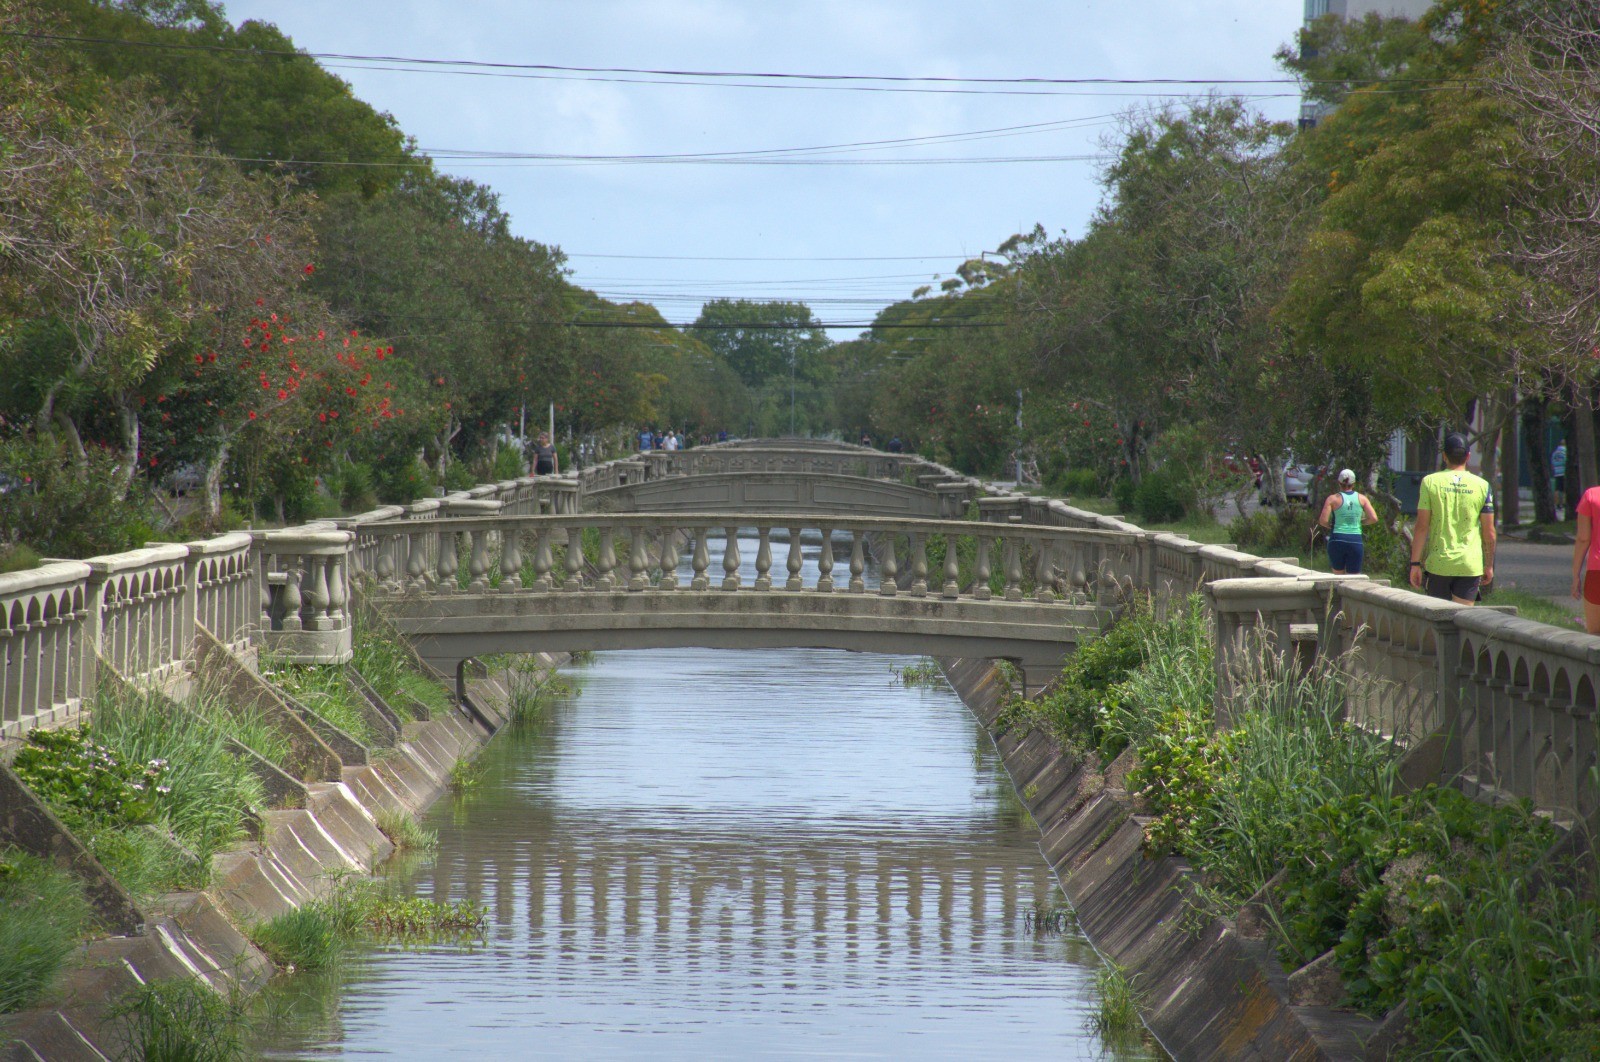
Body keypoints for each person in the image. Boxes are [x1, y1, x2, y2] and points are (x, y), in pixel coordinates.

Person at [1409, 432, 1496, 604]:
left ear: (1444, 456)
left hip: (1439, 563)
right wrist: (1488, 565)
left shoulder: (1430, 482)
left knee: (1439, 617)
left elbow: (1421, 527)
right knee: (1463, 617)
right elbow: (1489, 532)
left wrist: (1415, 564)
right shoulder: (1483, 486)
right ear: (1468, 456)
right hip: (1469, 564)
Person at [1317, 468, 1379, 574]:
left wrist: (1332, 526)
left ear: (1339, 483)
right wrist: (1361, 522)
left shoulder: (1332, 499)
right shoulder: (1362, 498)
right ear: (1354, 483)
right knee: (1353, 578)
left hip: (1337, 539)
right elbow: (1374, 518)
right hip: (1355, 540)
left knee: (1338, 576)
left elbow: (1323, 521)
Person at [1571, 481, 1600, 633]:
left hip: (1597, 570)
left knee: (1595, 633)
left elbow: (1583, 539)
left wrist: (1576, 575)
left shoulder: (1591, 495)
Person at [1552, 439, 1568, 517]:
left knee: (1557, 489)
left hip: (1557, 472)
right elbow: (1567, 461)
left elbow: (1552, 462)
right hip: (1564, 472)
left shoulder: (1555, 453)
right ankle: (1564, 503)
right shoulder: (1565, 451)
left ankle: (1557, 504)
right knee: (1565, 489)